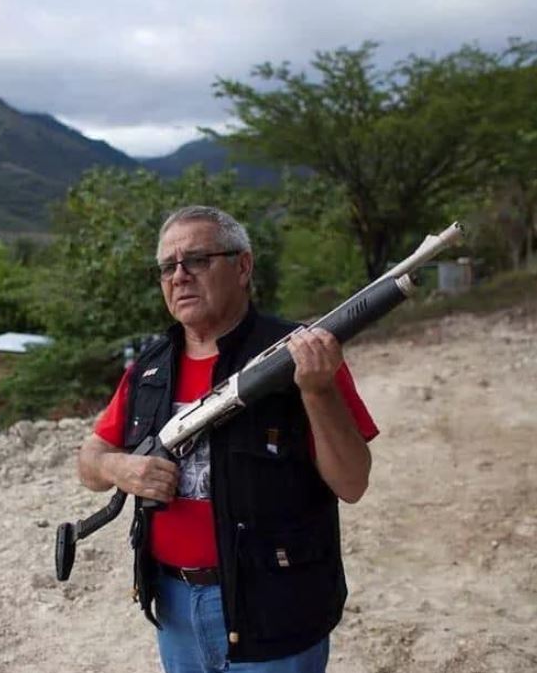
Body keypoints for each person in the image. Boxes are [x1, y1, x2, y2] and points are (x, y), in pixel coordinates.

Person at [77, 205, 378, 673]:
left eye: (196, 260)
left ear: (243, 266)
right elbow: (90, 458)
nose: (179, 276)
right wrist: (121, 468)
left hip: (276, 606)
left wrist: (316, 391)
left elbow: (353, 482)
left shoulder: (297, 354)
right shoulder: (150, 367)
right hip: (174, 605)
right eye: (167, 267)